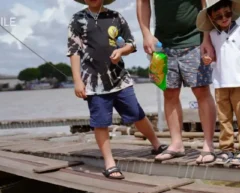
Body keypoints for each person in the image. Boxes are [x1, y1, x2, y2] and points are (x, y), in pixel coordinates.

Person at [67, 0, 167, 180]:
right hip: (93, 82)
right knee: (100, 122)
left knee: (137, 113)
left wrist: (121, 52)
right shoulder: (77, 19)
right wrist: (77, 81)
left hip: (120, 78)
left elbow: (131, 44)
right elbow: (74, 51)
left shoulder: (116, 17)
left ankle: (157, 144)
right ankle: (110, 163)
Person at [137, 0, 218, 165]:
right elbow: (142, 2)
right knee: (169, 92)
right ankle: (176, 143)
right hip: (162, 43)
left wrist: (206, 38)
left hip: (195, 39)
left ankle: (208, 144)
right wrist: (146, 34)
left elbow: (206, 3)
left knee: (201, 91)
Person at [197, 0, 240, 166]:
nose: (224, 18)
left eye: (227, 14)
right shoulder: (213, 36)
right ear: (212, 18)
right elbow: (213, 56)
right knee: (224, 119)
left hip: (239, 83)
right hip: (220, 82)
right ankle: (226, 149)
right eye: (219, 16)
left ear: (232, 13)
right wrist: (208, 59)